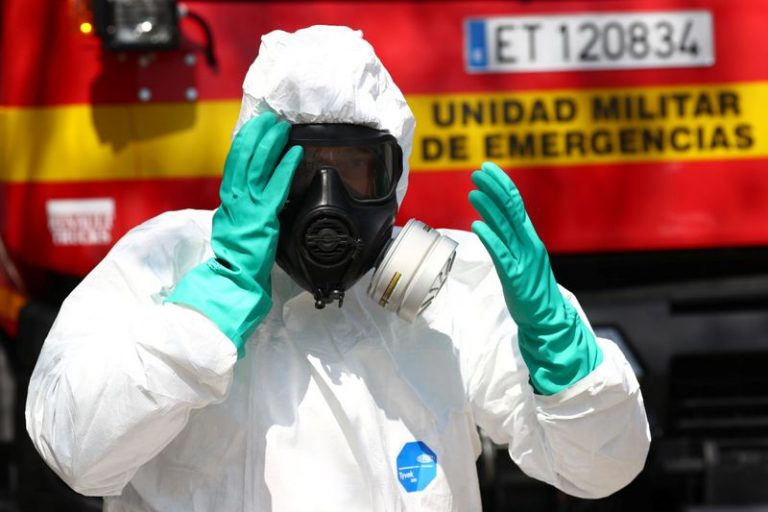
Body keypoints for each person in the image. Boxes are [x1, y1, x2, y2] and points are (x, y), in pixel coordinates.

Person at [25, 25, 650, 512]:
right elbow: (77, 453)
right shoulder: (164, 262)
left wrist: (564, 360)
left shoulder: (452, 294)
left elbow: (600, 469)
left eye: (353, 170)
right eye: (299, 167)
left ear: (393, 177)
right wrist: (207, 308)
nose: (327, 198)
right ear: (253, 163)